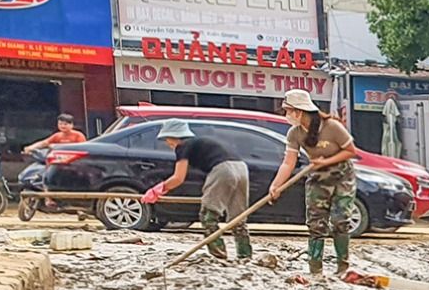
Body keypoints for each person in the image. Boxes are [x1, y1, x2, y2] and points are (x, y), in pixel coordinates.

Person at [268, 89, 358, 275]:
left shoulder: (331, 126)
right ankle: (315, 268)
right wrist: (276, 186)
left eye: (288, 110)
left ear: (299, 111)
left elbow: (350, 151)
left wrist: (326, 161)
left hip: (341, 176)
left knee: (340, 221)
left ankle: (343, 266)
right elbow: (288, 162)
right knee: (316, 224)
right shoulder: (295, 133)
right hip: (318, 177)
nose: (287, 115)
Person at [142, 120, 251, 262]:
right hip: (241, 168)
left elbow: (178, 178)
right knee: (238, 218)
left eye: (167, 139)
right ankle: (245, 256)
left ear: (174, 137)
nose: (168, 143)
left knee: (208, 215)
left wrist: (158, 189)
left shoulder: (183, 146)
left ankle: (219, 255)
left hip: (222, 170)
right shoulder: (199, 143)